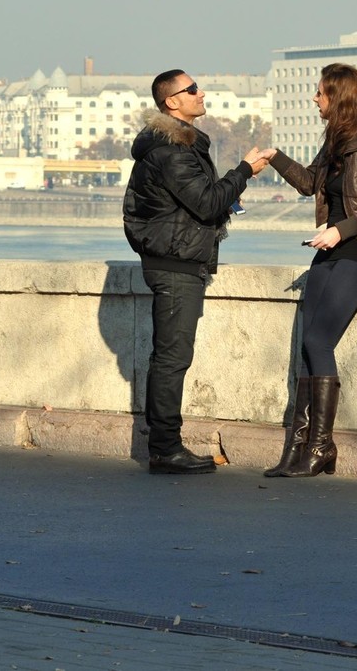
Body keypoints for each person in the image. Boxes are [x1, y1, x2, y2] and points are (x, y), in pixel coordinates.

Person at [122, 70, 271, 475]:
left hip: (179, 260)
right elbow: (206, 204)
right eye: (191, 90)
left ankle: (164, 445)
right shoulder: (171, 150)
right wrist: (243, 171)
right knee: (172, 358)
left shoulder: (178, 146)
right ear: (172, 102)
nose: (200, 93)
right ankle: (165, 448)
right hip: (175, 265)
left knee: (171, 356)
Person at [261, 63, 357, 478]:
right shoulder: (337, 139)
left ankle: (320, 446)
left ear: (338, 96)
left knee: (320, 340)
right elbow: (310, 184)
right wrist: (274, 157)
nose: (314, 99)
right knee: (309, 341)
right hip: (333, 248)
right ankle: (298, 446)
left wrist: (339, 232)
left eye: (320, 93)